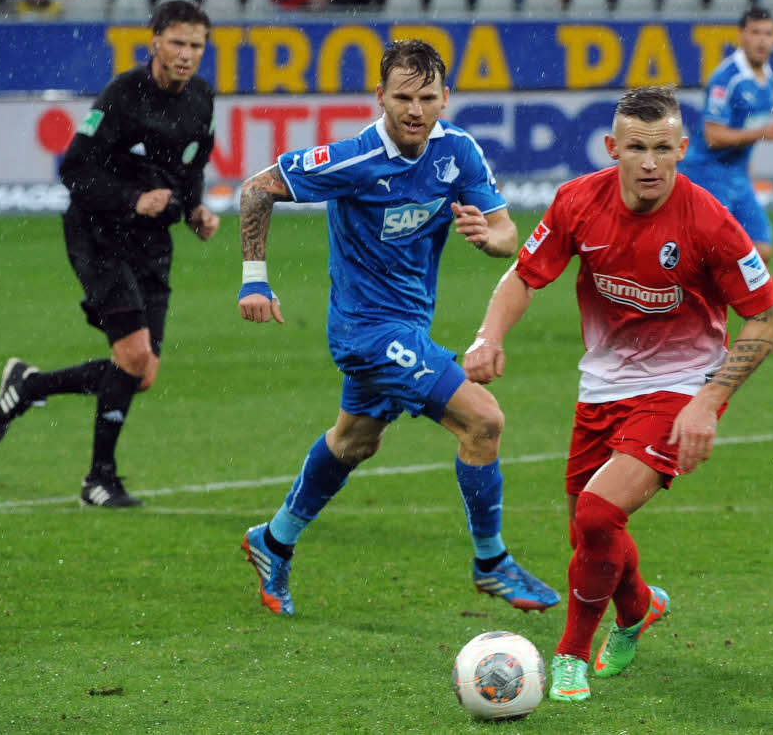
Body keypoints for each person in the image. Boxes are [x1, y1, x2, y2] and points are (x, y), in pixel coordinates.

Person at [463, 86, 773, 702]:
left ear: (682, 150)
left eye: (662, 148)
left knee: (597, 513)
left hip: (680, 385)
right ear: (612, 148)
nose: (648, 163)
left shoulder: (711, 222)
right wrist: (488, 335)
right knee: (590, 540)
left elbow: (767, 321)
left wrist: (706, 402)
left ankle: (569, 658)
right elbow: (525, 275)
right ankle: (638, 607)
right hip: (602, 385)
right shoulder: (578, 201)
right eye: (635, 147)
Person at [236, 39, 559, 617]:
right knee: (483, 422)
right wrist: (255, 278)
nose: (414, 109)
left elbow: (507, 232)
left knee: (355, 440)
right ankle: (492, 562)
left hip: (408, 324)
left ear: (445, 99)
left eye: (427, 97)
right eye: (403, 96)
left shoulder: (457, 152)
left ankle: (273, 539)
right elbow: (257, 188)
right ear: (380, 96)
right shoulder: (355, 159)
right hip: (366, 332)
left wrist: (490, 239)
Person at [0, 0, 220, 508]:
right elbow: (74, 169)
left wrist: (197, 208)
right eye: (176, 42)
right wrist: (134, 199)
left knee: (141, 373)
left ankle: (30, 386)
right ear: (153, 40)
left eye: (195, 45)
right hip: (100, 235)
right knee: (133, 356)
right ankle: (99, 480)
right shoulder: (122, 96)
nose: (185, 54)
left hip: (153, 242)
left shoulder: (201, 98)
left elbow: (194, 159)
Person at [678, 7, 773, 264]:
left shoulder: (768, 77)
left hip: (737, 176)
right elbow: (713, 136)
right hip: (707, 173)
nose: (762, 40)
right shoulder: (726, 78)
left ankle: (728, 298)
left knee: (761, 250)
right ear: (741, 36)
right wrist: (761, 134)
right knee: (716, 255)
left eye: (768, 33)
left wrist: (748, 167)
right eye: (755, 32)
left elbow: (746, 127)